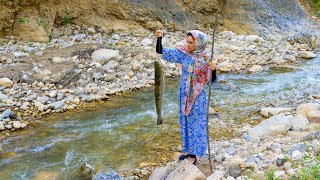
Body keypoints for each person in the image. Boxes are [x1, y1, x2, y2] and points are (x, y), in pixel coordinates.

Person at [155, 30, 217, 165]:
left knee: (195, 124)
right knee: (184, 121)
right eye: (187, 42)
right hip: (183, 94)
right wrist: (159, 38)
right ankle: (187, 150)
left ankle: (194, 155)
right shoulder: (183, 54)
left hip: (197, 97)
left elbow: (211, 81)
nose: (187, 45)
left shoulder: (205, 59)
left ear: (199, 43)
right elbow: (161, 51)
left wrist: (213, 69)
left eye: (191, 42)